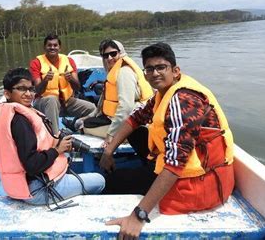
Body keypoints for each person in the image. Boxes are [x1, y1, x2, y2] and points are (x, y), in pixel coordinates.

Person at [100, 42, 235, 239]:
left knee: (110, 182)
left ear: (175, 70)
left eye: (161, 67)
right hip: (180, 169)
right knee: (136, 133)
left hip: (198, 186)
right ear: (144, 73)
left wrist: (139, 215)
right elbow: (135, 117)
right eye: (150, 69)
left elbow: (176, 163)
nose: (155, 73)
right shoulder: (163, 93)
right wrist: (108, 150)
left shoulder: (184, 100)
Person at [0, 67, 105, 208]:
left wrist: (55, 142)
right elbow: (32, 165)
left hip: (22, 186)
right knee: (99, 180)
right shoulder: (20, 121)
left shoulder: (11, 113)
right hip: (37, 190)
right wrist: (57, 150)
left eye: (31, 89)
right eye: (21, 89)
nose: (28, 94)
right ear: (7, 93)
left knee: (67, 153)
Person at [79, 39, 153, 143]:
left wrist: (111, 134)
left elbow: (126, 107)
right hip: (121, 118)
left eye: (113, 54)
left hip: (133, 123)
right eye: (106, 56)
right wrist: (89, 116)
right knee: (83, 121)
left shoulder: (124, 72)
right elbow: (102, 104)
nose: (109, 58)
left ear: (121, 53)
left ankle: (124, 139)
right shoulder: (115, 71)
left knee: (83, 126)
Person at [29, 33, 96, 134]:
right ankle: (55, 137)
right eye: (49, 45)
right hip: (45, 103)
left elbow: (77, 87)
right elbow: (38, 90)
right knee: (52, 100)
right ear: (44, 47)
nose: (52, 47)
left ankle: (78, 126)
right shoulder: (36, 63)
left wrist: (70, 79)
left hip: (67, 102)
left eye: (55, 45)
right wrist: (45, 80)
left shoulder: (69, 61)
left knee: (92, 109)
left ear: (59, 47)